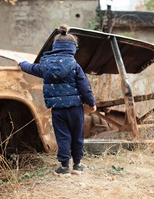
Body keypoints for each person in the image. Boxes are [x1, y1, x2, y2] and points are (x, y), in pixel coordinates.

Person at [18, 25, 96, 176]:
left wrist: (21, 64)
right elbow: (85, 87)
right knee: (77, 135)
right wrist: (91, 103)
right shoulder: (75, 66)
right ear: (72, 49)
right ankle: (78, 165)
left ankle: (64, 166)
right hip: (75, 108)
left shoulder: (45, 66)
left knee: (63, 136)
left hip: (58, 109)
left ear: (55, 47)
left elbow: (32, 68)